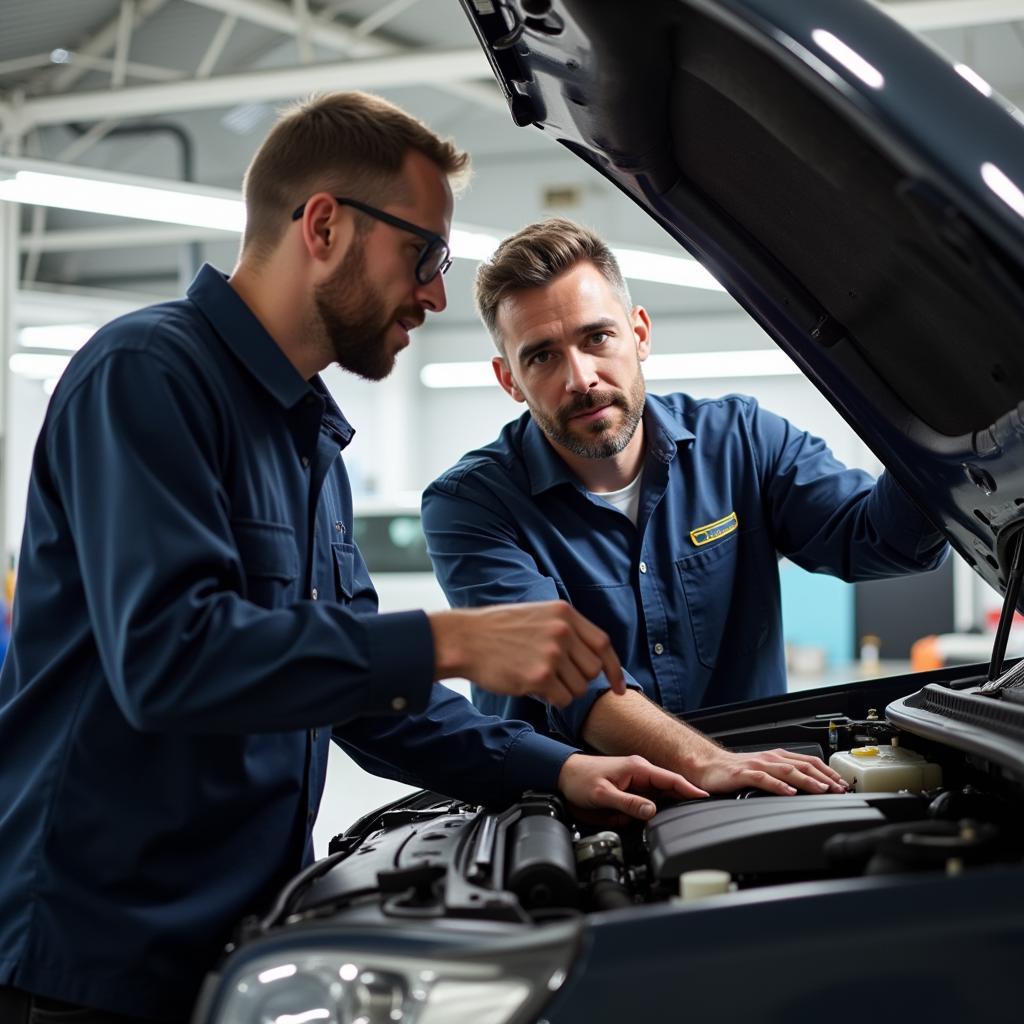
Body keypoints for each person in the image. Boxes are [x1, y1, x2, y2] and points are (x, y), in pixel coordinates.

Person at [0, 98, 701, 1024]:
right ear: (325, 225)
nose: (436, 294)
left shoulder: (310, 442)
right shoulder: (146, 375)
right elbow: (168, 658)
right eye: (426, 256)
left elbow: (366, 695)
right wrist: (450, 640)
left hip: (233, 945)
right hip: (91, 966)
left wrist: (561, 771)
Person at [422, 218, 949, 796]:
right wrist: (701, 761)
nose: (580, 378)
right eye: (543, 357)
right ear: (510, 380)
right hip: (569, 817)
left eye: (597, 338)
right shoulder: (471, 505)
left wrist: (937, 418)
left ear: (639, 333)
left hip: (755, 791)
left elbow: (882, 539)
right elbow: (572, 683)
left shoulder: (743, 443)